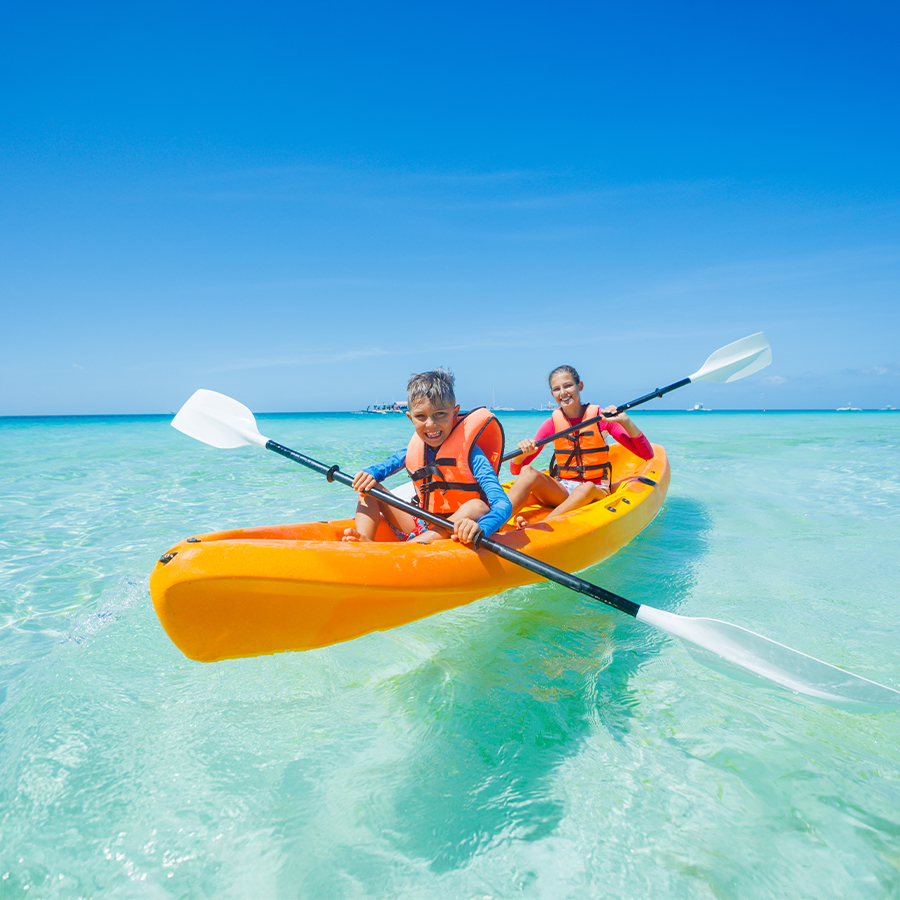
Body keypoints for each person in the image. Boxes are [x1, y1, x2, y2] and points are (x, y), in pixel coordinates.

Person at [342, 369, 513, 544]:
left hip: (457, 529)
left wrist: (482, 528)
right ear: (410, 418)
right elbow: (379, 469)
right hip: (422, 525)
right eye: (421, 416)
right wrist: (369, 473)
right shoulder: (413, 449)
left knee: (477, 506)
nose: (431, 424)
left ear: (454, 414)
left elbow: (502, 505)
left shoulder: (472, 454)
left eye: (440, 414)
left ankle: (410, 546)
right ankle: (365, 543)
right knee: (368, 487)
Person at [506, 365, 653, 525]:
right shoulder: (552, 424)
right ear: (552, 394)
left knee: (586, 488)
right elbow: (516, 471)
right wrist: (521, 454)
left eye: (568, 385)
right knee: (528, 471)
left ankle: (539, 527)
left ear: (580, 386)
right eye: (557, 389)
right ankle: (495, 522)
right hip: (564, 490)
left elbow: (647, 454)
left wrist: (625, 421)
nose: (563, 392)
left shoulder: (601, 419)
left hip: (595, 490)